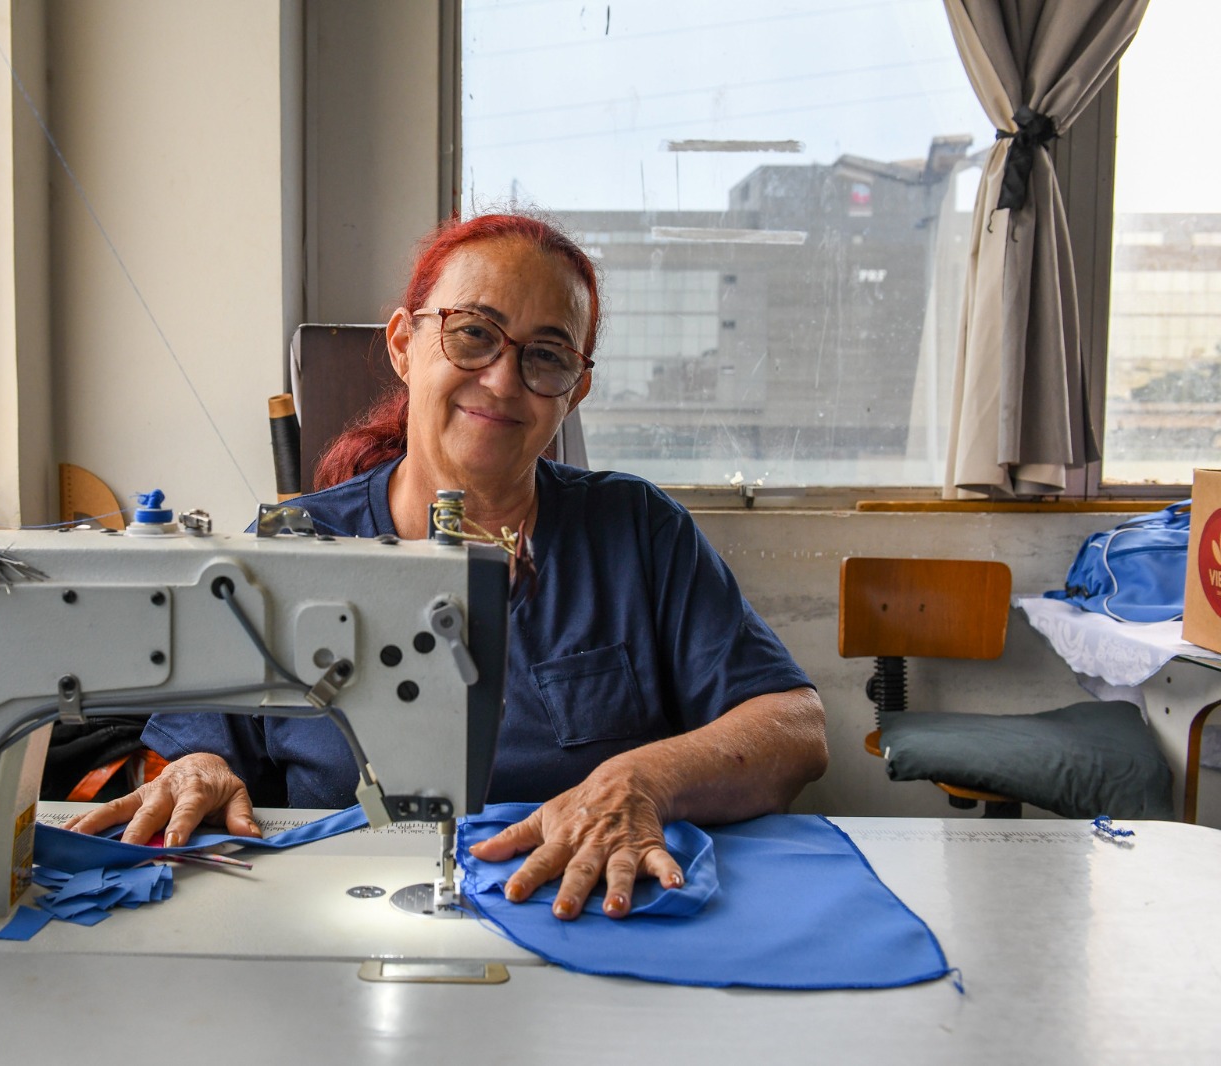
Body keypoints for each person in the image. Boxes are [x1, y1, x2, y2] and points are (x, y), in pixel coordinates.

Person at [67, 213, 829, 919]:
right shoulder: (291, 549)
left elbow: (794, 728)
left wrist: (643, 779)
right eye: (473, 334)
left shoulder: (637, 532)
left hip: (596, 911)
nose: (502, 380)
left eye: (547, 356)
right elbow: (197, 742)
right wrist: (197, 768)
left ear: (576, 390)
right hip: (338, 916)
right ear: (404, 344)